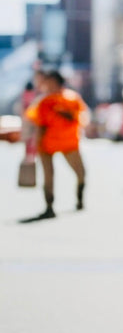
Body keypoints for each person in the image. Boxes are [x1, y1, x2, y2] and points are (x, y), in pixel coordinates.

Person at [22, 70, 87, 221]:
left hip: (67, 142)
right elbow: (38, 124)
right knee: (49, 176)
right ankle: (50, 206)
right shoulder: (45, 101)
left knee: (79, 173)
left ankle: (78, 199)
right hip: (50, 143)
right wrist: (36, 144)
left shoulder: (68, 98)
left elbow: (80, 118)